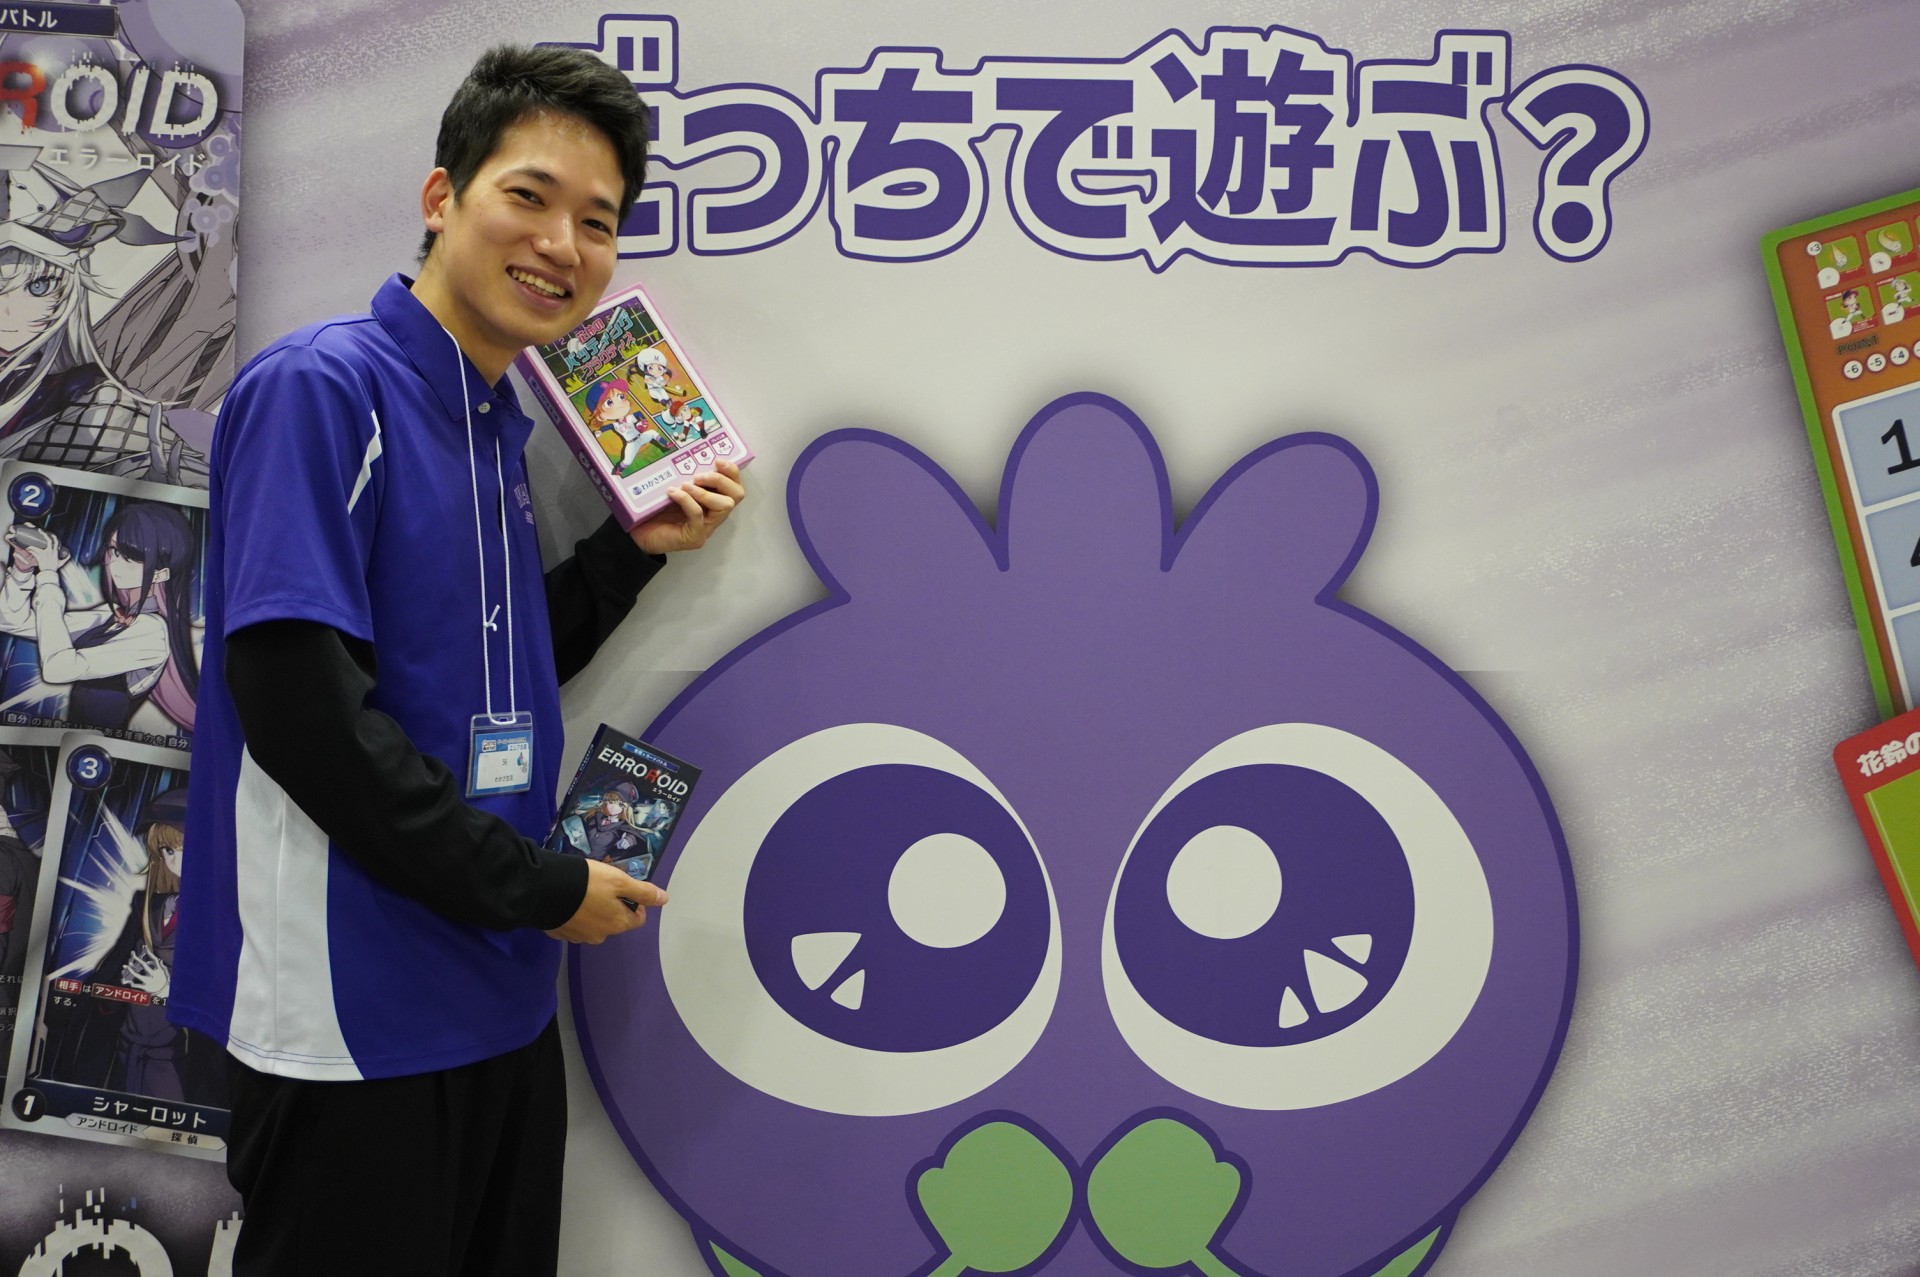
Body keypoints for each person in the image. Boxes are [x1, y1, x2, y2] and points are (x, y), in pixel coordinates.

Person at [166, 43, 746, 1277]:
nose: (562, 244)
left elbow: (495, 671)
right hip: (353, 1018)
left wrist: (629, 554)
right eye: (528, 196)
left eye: (599, 221)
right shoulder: (321, 389)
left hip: (499, 999)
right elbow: (306, 717)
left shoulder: (495, 423)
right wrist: (538, 884)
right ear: (442, 197)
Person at [0, 502, 202, 739]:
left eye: (129, 557)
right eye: (114, 550)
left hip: (99, 746)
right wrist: (22, 572)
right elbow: (14, 622)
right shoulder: (110, 615)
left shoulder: (152, 631)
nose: (114, 563)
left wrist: (48, 577)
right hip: (71, 738)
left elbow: (58, 669)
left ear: (161, 573)